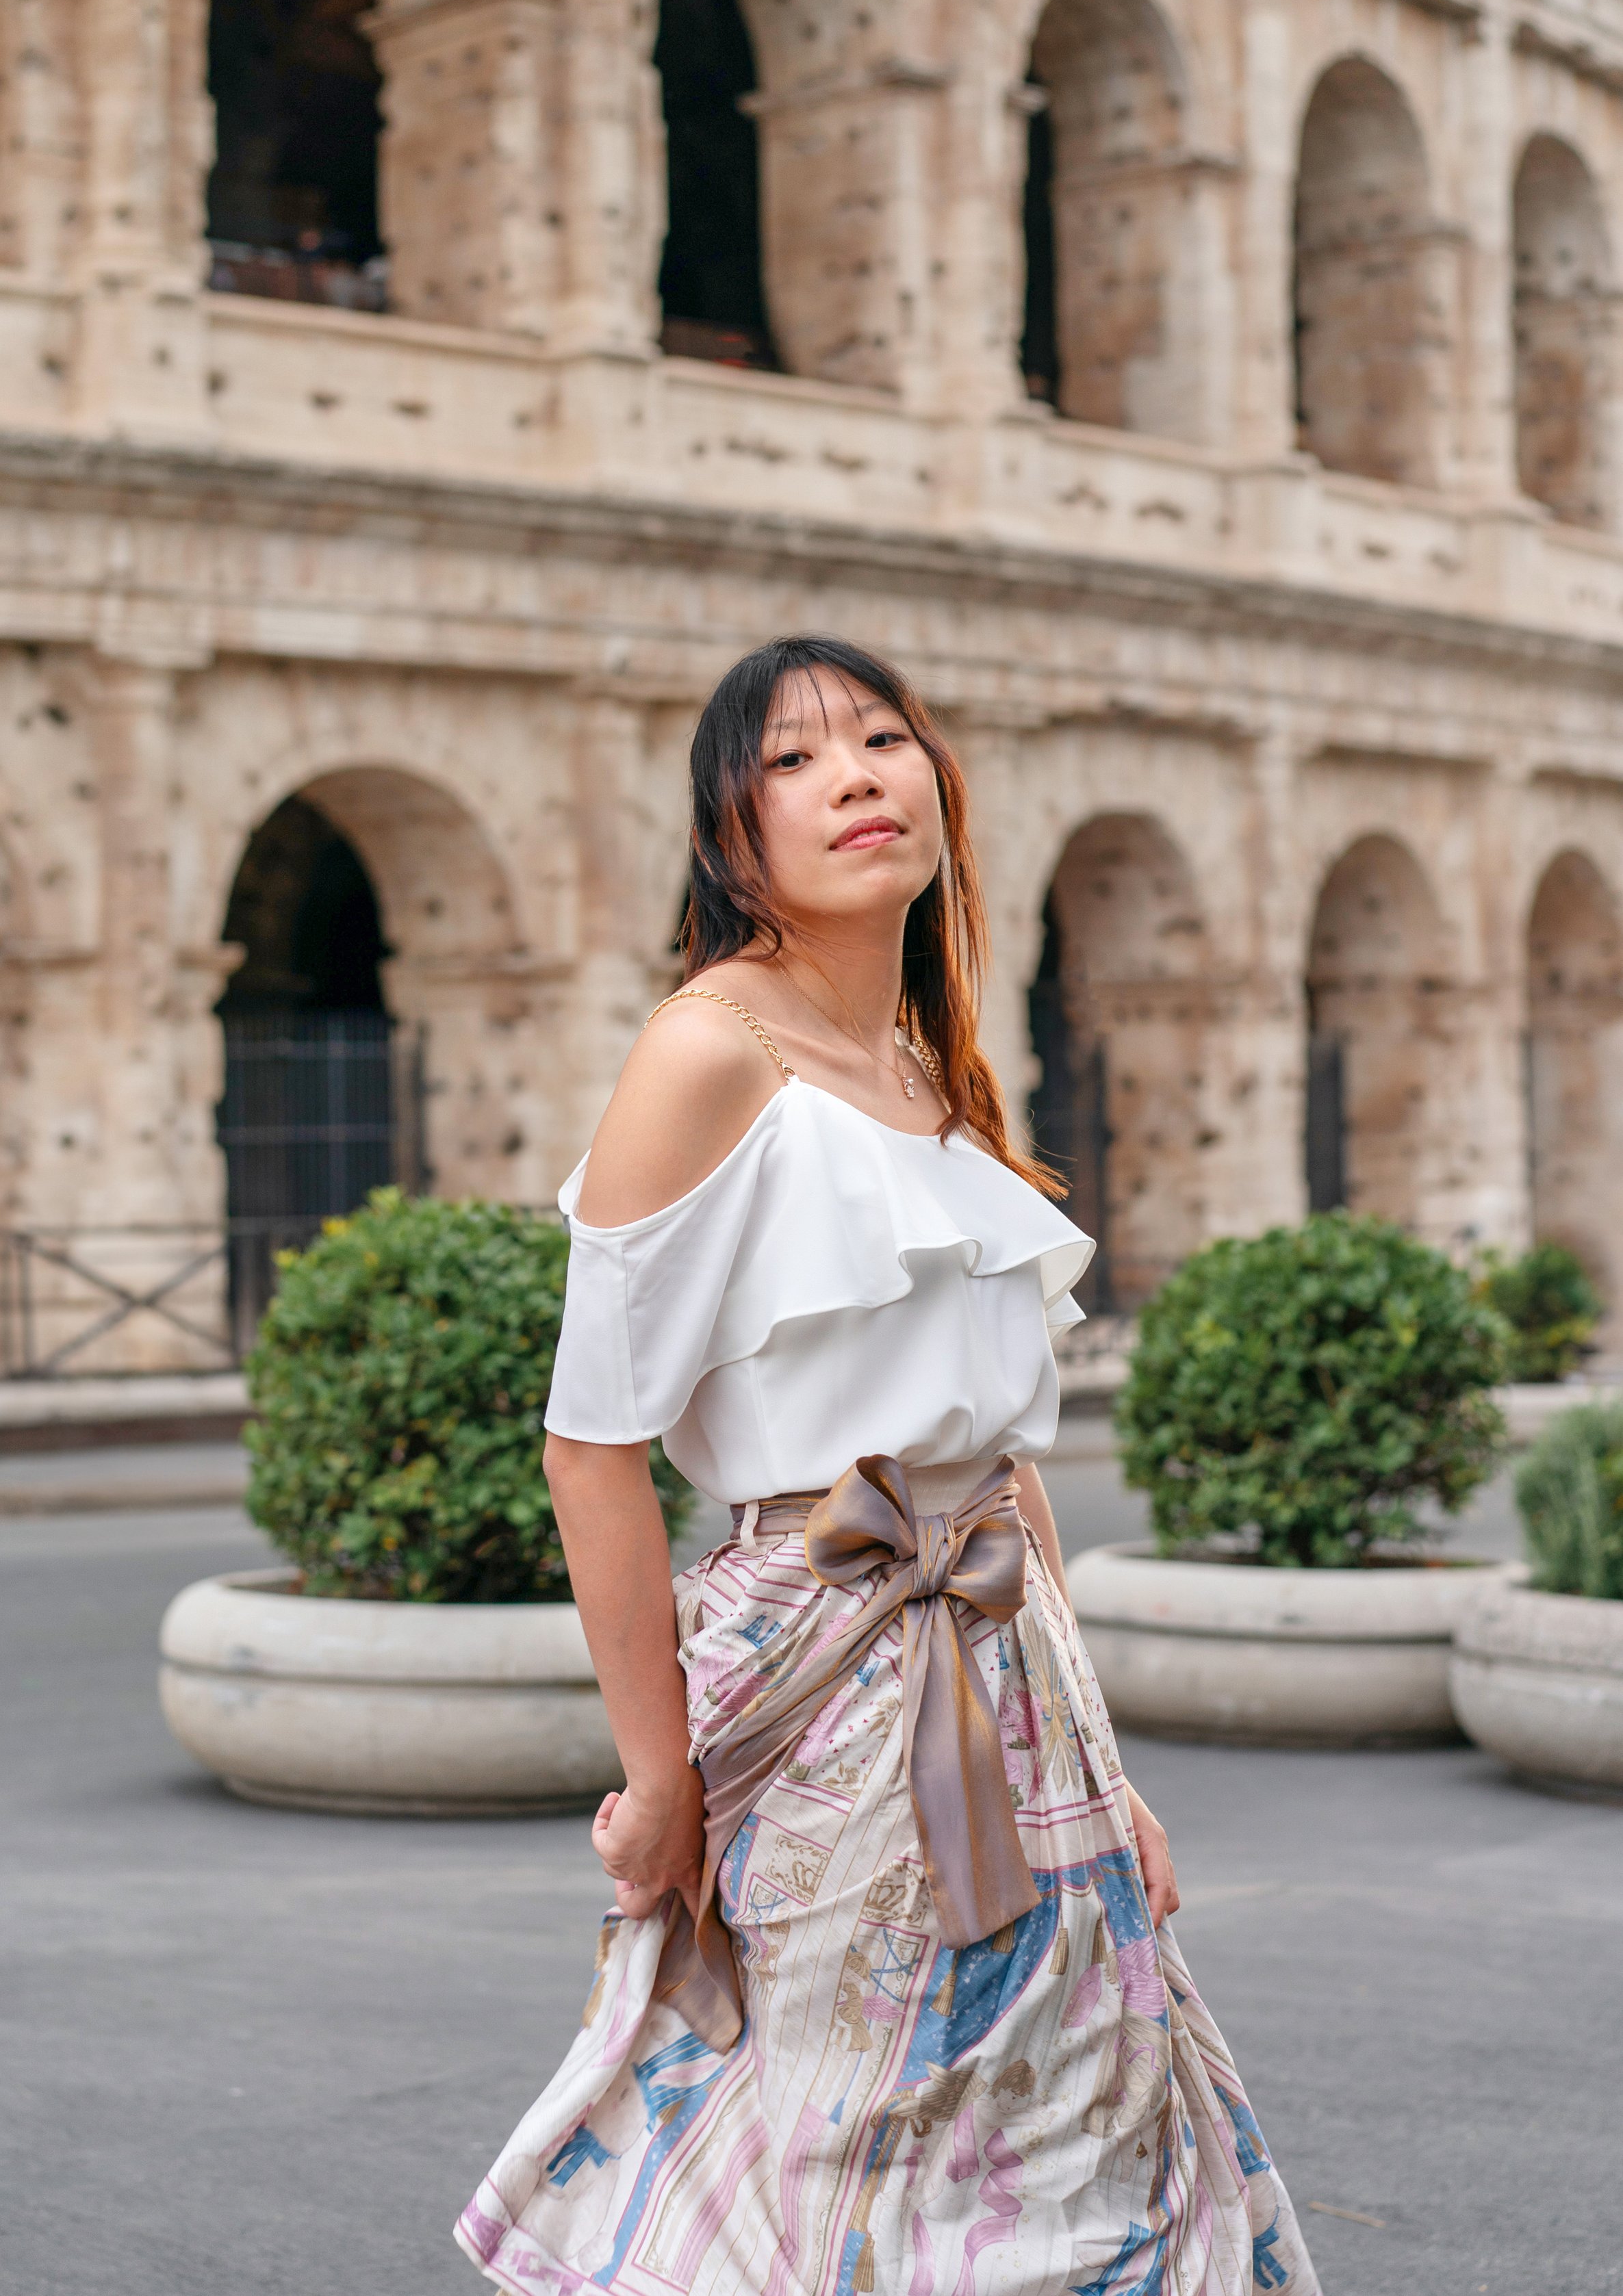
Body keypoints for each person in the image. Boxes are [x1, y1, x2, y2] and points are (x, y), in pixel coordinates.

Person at [457, 636, 1318, 2295]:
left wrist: (1106, 1759)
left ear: (937, 781)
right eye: (791, 760)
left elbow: (994, 1469)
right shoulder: (705, 1055)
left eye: (880, 738)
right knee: (868, 2115)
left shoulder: (931, 1073)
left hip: (1012, 1666)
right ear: (730, 833)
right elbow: (589, 1449)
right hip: (818, 1652)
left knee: (1073, 2093)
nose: (853, 776)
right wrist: (656, 1780)